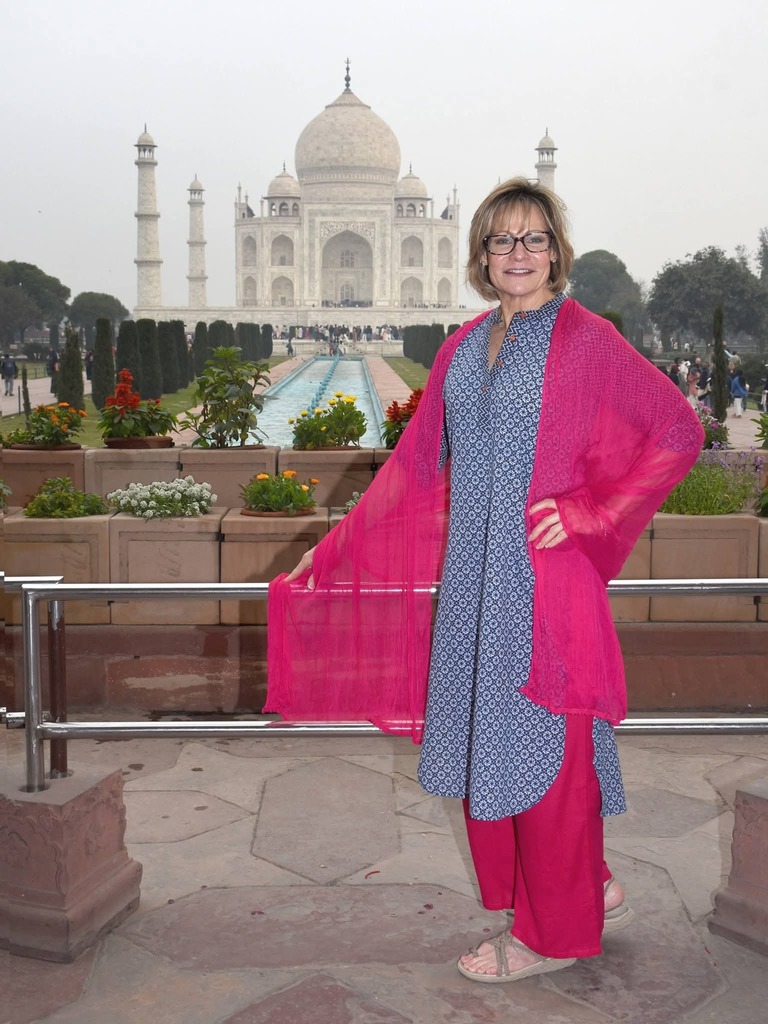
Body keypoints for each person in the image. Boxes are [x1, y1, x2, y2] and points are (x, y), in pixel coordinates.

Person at [267, 177, 703, 983]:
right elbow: (412, 467)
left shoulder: (588, 340)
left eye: (535, 238)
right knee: (494, 747)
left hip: (544, 584)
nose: (519, 253)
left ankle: (551, 935)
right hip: (475, 588)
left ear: (556, 252)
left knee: (547, 750)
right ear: (481, 254)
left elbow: (679, 428)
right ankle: (591, 886)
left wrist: (594, 514)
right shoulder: (465, 348)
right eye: (503, 239)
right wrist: (328, 553)